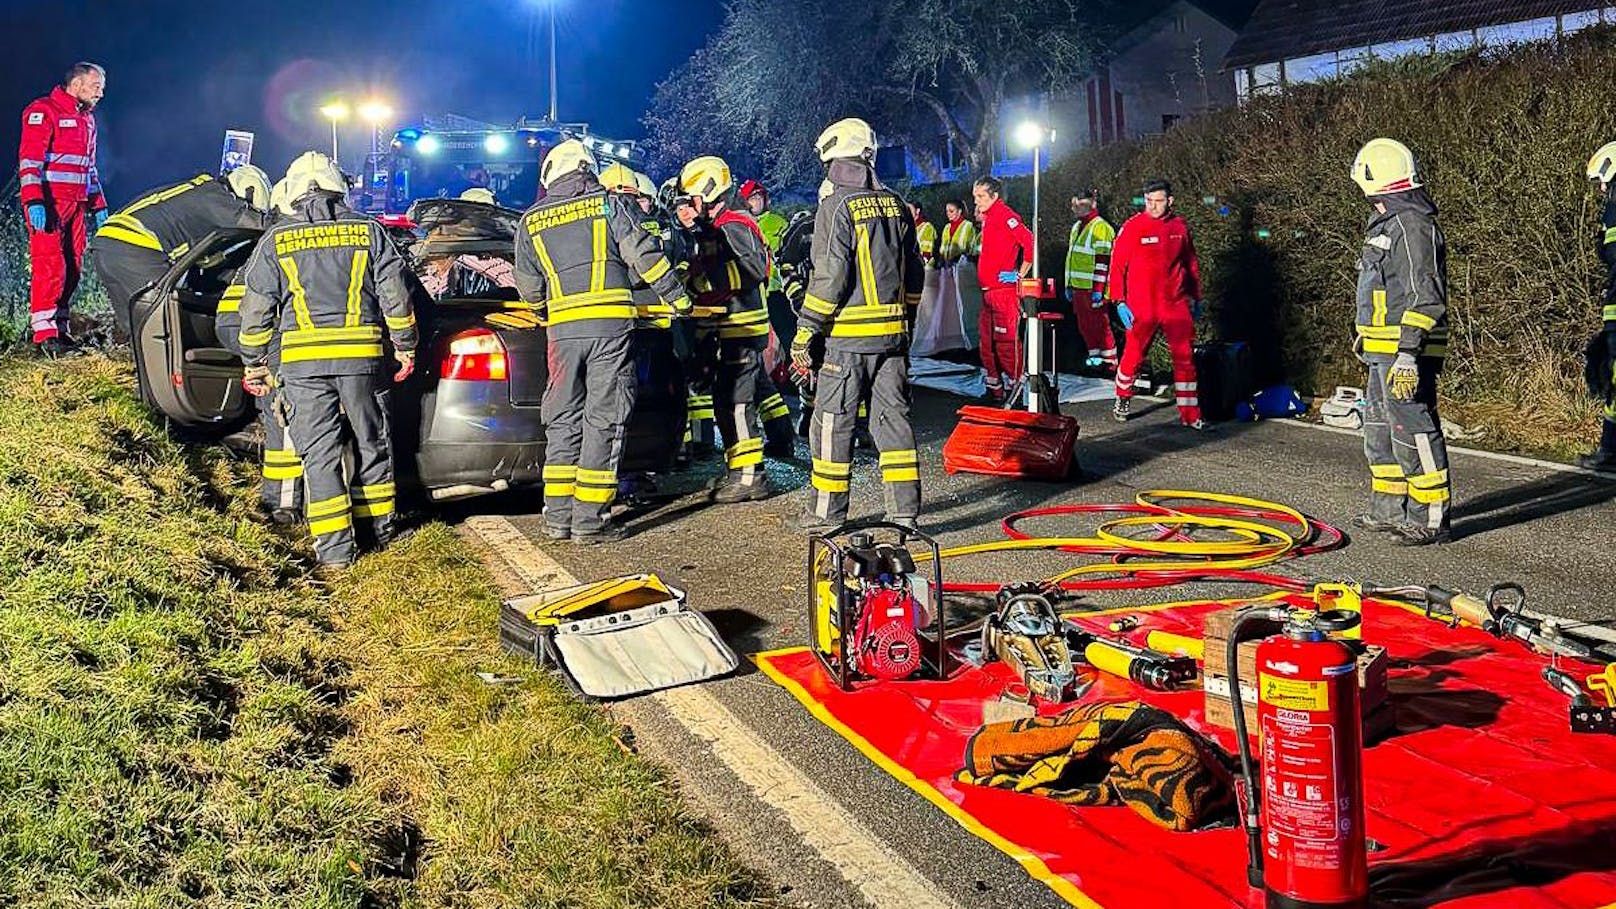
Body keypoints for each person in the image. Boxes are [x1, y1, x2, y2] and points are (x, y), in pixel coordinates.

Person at [235, 151, 418, 569]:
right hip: (363, 362)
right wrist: (405, 345)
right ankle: (378, 532)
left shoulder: (275, 241)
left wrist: (254, 363)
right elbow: (395, 295)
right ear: (340, 188)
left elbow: (256, 310)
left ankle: (335, 553)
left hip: (301, 367)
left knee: (318, 455)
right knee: (371, 444)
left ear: (294, 193)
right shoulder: (368, 232)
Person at [514, 141, 691, 542]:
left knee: (562, 419)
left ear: (550, 174)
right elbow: (644, 255)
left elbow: (528, 286)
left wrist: (547, 308)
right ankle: (590, 522)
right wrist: (677, 296)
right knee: (604, 419)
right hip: (610, 330)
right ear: (586, 169)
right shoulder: (609, 204)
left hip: (561, 333)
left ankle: (558, 518)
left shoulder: (531, 220)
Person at [792, 117, 924, 533]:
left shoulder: (835, 207)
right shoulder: (896, 204)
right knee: (893, 421)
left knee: (832, 422)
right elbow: (916, 274)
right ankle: (904, 512)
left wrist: (805, 331)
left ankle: (825, 515)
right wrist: (907, 321)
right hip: (893, 339)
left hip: (848, 339)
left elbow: (829, 277)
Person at [1349, 138, 1451, 546]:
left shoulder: (1412, 224)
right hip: (1381, 350)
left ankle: (1431, 518)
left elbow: (1424, 293)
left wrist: (1409, 353)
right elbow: (1381, 291)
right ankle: (1388, 509)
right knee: (1379, 428)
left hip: (1404, 351)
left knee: (1413, 430)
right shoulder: (1389, 223)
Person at [676, 155, 778, 501]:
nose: (690, 204)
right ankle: (739, 470)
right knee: (725, 400)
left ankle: (752, 477)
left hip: (741, 327)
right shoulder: (720, 225)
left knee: (737, 403)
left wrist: (703, 282)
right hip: (729, 326)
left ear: (707, 191)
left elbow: (751, 272)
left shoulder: (735, 223)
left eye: (692, 197)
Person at [90, 166, 272, 338]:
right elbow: (258, 225)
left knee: (138, 324)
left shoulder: (199, 191)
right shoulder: (217, 196)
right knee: (165, 320)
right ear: (247, 193)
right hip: (135, 246)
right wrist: (292, 219)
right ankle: (162, 369)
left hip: (106, 244)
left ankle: (145, 367)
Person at [217, 177, 303, 524]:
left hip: (259, 336)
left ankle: (283, 500)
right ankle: (282, 505)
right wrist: (260, 361)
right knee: (283, 420)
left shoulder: (268, 244)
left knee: (281, 417)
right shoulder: (282, 245)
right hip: (271, 339)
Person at [18, 62, 108, 357]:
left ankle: (60, 328)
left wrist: (99, 206)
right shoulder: (42, 111)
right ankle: (43, 335)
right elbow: (30, 161)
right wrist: (34, 201)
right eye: (96, 86)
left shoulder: (87, 120)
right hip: (50, 204)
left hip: (77, 206)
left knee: (73, 268)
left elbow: (88, 169)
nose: (101, 93)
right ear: (78, 84)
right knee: (50, 265)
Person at [1108, 179, 1205, 429]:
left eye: (1158, 201)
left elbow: (1190, 263)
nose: (1152, 206)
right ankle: (1122, 397)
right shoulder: (1133, 227)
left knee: (1185, 359)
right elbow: (1117, 266)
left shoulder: (1180, 227)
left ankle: (1190, 414)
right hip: (1142, 305)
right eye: (1148, 201)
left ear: (1170, 201)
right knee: (1133, 356)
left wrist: (1195, 296)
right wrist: (1118, 301)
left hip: (1175, 303)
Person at [973, 177, 1035, 401]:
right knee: (986, 343)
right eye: (975, 196)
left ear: (994, 196)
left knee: (1006, 343)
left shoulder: (1006, 215)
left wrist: (1019, 274)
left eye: (980, 196)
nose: (976, 201)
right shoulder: (989, 218)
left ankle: (1015, 390)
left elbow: (1029, 242)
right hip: (989, 292)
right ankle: (995, 388)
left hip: (1003, 292)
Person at [1582, 142, 1616, 473]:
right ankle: (1609, 450)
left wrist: (1601, 244)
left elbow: (1613, 254)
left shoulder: (1615, 209)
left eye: (1604, 181)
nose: (1602, 189)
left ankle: (1609, 451)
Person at [1064, 189, 1118, 370]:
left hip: (1094, 289)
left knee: (1101, 327)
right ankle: (1095, 360)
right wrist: (1069, 285)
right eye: (1074, 205)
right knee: (1085, 327)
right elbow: (1072, 258)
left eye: (1080, 204)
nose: (1075, 208)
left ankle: (1110, 363)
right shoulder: (1076, 227)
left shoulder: (1101, 228)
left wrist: (1098, 289)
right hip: (1079, 288)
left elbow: (1103, 260)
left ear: (1092, 204)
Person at [919, 199, 975, 357]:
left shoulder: (967, 226)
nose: (948, 214)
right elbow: (943, 248)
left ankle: (965, 342)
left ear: (959, 211)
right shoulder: (946, 228)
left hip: (961, 269)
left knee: (960, 305)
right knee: (946, 305)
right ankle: (947, 341)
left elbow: (967, 247)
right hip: (947, 269)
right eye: (947, 211)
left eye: (951, 211)